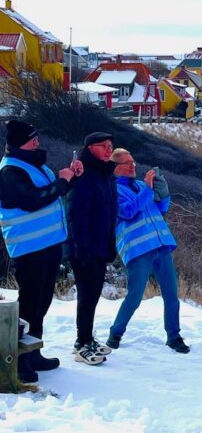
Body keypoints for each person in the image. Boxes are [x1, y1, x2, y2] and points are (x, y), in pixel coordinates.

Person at [0, 119, 79, 383]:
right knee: (29, 305)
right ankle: (18, 360)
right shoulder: (9, 171)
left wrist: (71, 178)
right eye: (32, 139)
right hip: (29, 249)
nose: (37, 142)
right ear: (19, 143)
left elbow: (50, 194)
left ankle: (33, 353)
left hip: (47, 245)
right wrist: (62, 182)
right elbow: (33, 200)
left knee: (41, 302)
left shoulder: (34, 164)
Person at [107, 148, 189, 353]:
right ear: (115, 167)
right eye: (127, 163)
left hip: (161, 245)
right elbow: (128, 211)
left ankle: (174, 336)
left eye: (133, 162)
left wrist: (164, 194)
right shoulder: (111, 190)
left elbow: (160, 210)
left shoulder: (142, 185)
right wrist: (148, 190)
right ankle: (116, 333)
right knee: (135, 296)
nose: (132, 166)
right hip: (138, 250)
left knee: (171, 294)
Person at [68, 132, 118, 365]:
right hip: (86, 248)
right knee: (87, 295)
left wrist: (110, 244)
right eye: (104, 146)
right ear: (90, 148)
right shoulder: (85, 174)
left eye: (111, 146)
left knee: (93, 294)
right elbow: (77, 215)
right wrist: (82, 248)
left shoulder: (105, 174)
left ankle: (87, 338)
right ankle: (82, 343)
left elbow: (110, 214)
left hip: (100, 245)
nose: (109, 150)